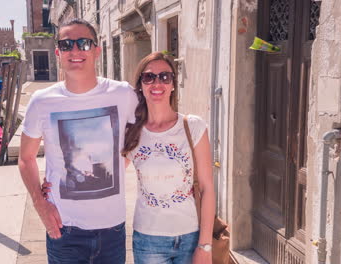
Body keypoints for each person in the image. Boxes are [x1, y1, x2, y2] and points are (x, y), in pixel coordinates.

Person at [43, 52, 216, 264]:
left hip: (191, 235)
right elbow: (106, 173)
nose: (157, 83)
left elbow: (207, 188)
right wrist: (55, 182)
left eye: (165, 77)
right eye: (149, 77)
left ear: (173, 84)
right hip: (148, 239)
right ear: (141, 85)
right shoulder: (133, 133)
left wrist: (205, 245)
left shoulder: (193, 127)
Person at [18, 18, 138, 264]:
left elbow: (143, 134)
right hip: (64, 228)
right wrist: (40, 203)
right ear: (58, 52)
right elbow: (25, 158)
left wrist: (117, 163)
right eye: (67, 44)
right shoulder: (42, 101)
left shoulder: (123, 94)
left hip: (112, 228)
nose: (75, 50)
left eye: (83, 43)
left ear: (96, 50)